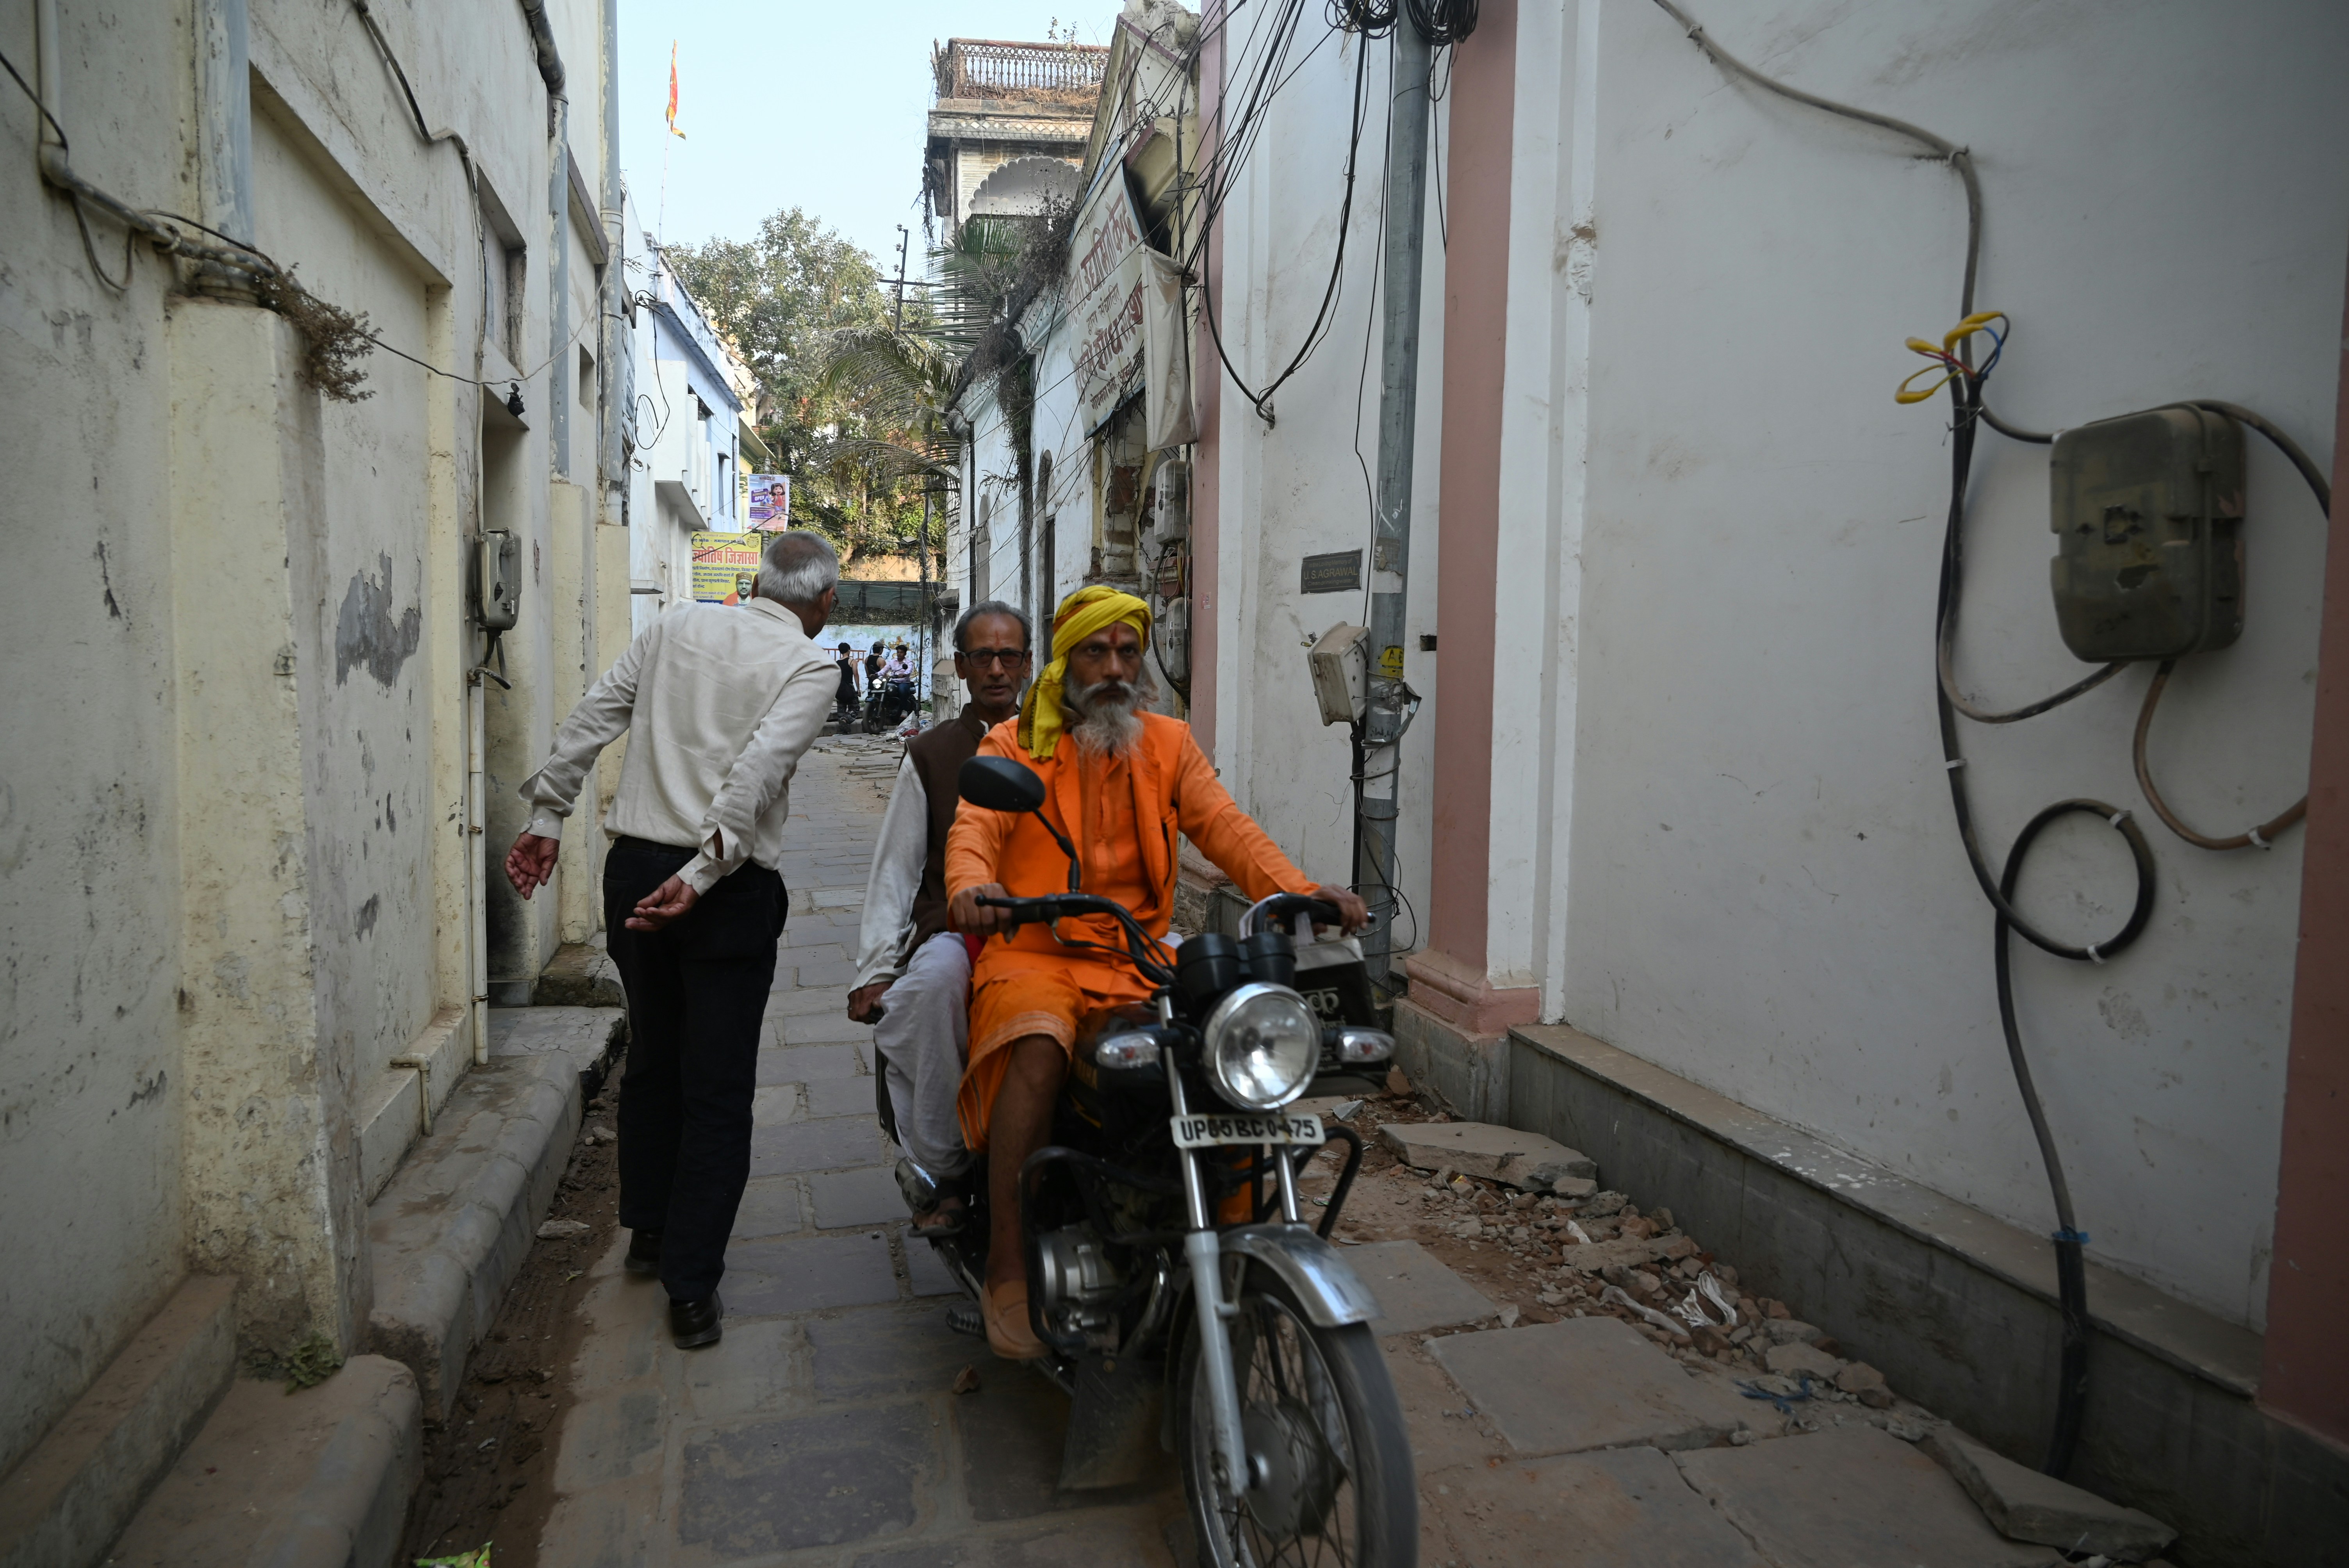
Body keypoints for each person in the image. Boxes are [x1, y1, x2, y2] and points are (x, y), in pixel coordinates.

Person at [946, 586, 1367, 1360]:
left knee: (1221, 1041)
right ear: (1067, 660)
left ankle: (1232, 1230)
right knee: (1036, 1046)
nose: (1112, 668)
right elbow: (975, 829)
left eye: (1126, 652)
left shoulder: (1168, 743)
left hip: (1136, 955)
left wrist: (1301, 893)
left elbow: (1227, 828)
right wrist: (973, 888)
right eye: (1094, 652)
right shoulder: (1012, 745)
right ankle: (1008, 1260)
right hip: (1035, 952)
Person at [504, 530, 842, 1350]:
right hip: (719, 889)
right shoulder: (810, 664)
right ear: (824, 603)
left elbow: (594, 715)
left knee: (655, 1056)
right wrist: (698, 879)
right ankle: (691, 1290)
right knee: (717, 1087)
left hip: (635, 869)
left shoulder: (675, 627)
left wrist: (547, 812)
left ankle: (650, 1230)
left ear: (755, 582)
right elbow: (756, 774)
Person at [848, 602, 1035, 1231]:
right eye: (982, 656)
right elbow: (896, 868)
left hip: (1048, 928)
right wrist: (875, 968)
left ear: (1029, 663)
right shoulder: (932, 753)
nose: (997, 669)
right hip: (952, 929)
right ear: (960, 666)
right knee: (931, 991)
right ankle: (945, 1173)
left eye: (1010, 656)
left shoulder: (1060, 741)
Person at [832, 640, 861, 724]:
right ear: (849, 650)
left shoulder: (837, 663)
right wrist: (858, 689)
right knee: (855, 708)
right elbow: (856, 674)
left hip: (839, 688)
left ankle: (842, 724)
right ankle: (846, 720)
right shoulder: (852, 661)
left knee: (841, 709)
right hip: (849, 687)